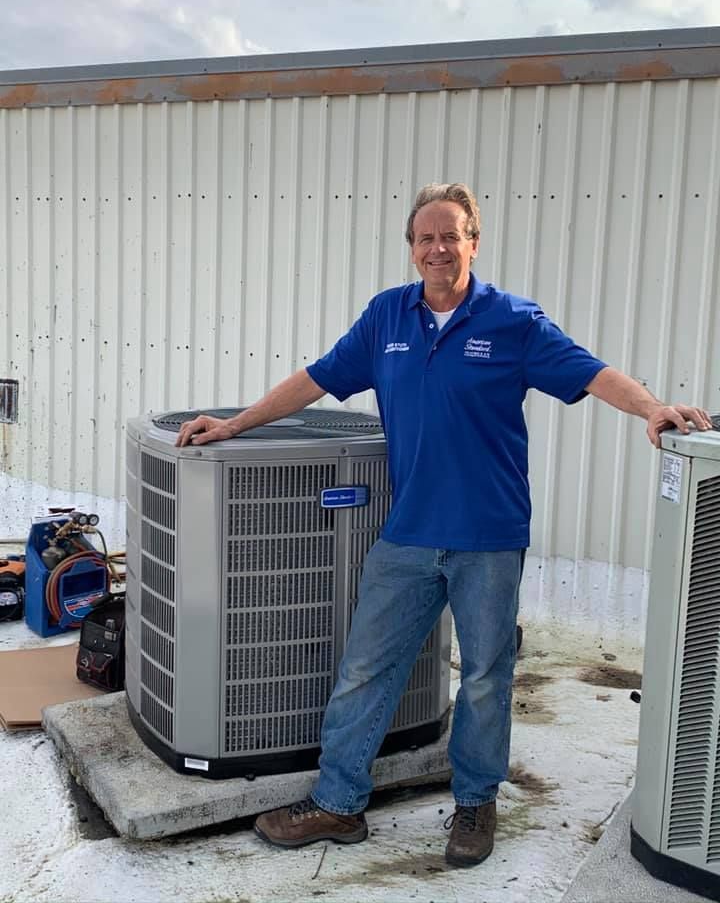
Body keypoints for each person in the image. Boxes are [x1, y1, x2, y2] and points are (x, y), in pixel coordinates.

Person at [176, 183, 711, 867]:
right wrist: (234, 424)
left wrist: (652, 407)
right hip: (408, 533)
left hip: (489, 533)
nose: (437, 249)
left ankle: (474, 806)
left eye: (450, 236)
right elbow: (315, 378)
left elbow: (590, 372)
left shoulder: (512, 321)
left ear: (473, 243)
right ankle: (338, 805)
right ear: (412, 248)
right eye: (425, 238)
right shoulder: (385, 319)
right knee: (367, 665)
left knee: (485, 673)